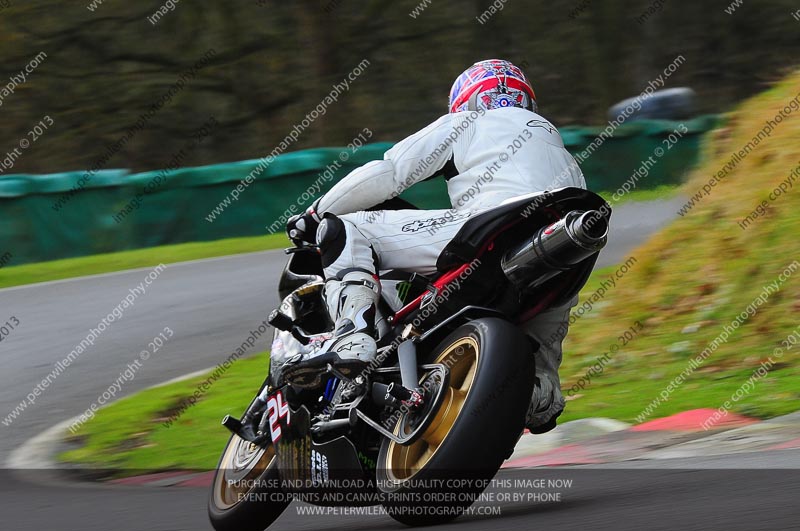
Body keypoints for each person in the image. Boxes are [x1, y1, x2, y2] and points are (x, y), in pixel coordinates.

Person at [285, 59, 585, 433]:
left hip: (491, 230)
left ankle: (355, 334)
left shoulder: (469, 122)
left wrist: (315, 213)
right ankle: (541, 389)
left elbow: (389, 173)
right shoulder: (564, 154)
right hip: (565, 253)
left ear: (466, 100)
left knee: (343, 229)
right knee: (543, 361)